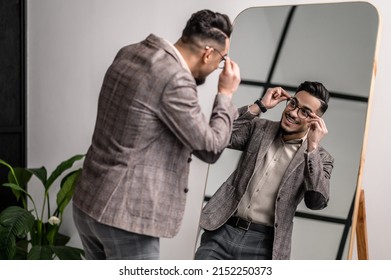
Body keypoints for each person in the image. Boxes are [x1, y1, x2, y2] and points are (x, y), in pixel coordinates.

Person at [72, 9, 241, 260]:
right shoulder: (175, 79)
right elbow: (211, 147)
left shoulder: (131, 52)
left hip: (89, 203)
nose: (219, 67)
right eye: (221, 60)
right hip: (125, 219)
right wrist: (226, 94)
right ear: (208, 54)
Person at [195, 81, 334, 260]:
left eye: (304, 112)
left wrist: (312, 148)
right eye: (293, 103)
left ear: (316, 121)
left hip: (264, 245)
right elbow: (218, 134)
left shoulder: (321, 158)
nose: (292, 113)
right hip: (222, 230)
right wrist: (259, 106)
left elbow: (316, 201)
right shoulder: (260, 128)